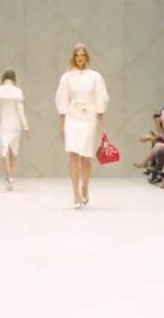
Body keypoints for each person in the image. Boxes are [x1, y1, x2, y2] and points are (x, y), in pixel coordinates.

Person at [54, 43, 110, 209]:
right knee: (73, 154)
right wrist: (61, 125)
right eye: (77, 55)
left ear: (87, 57)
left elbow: (100, 98)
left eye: (82, 55)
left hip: (89, 117)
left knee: (86, 157)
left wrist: (101, 125)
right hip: (72, 117)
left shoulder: (95, 77)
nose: (80, 58)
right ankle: (75, 194)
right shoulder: (67, 77)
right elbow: (62, 99)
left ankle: (85, 185)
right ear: (73, 58)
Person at [0, 69, 29, 190]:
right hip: (15, 123)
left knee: (4, 149)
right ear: (14, 78)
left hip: (3, 123)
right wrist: (26, 127)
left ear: (3, 78)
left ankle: (9, 176)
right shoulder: (17, 91)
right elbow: (21, 112)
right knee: (13, 150)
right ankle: (11, 176)